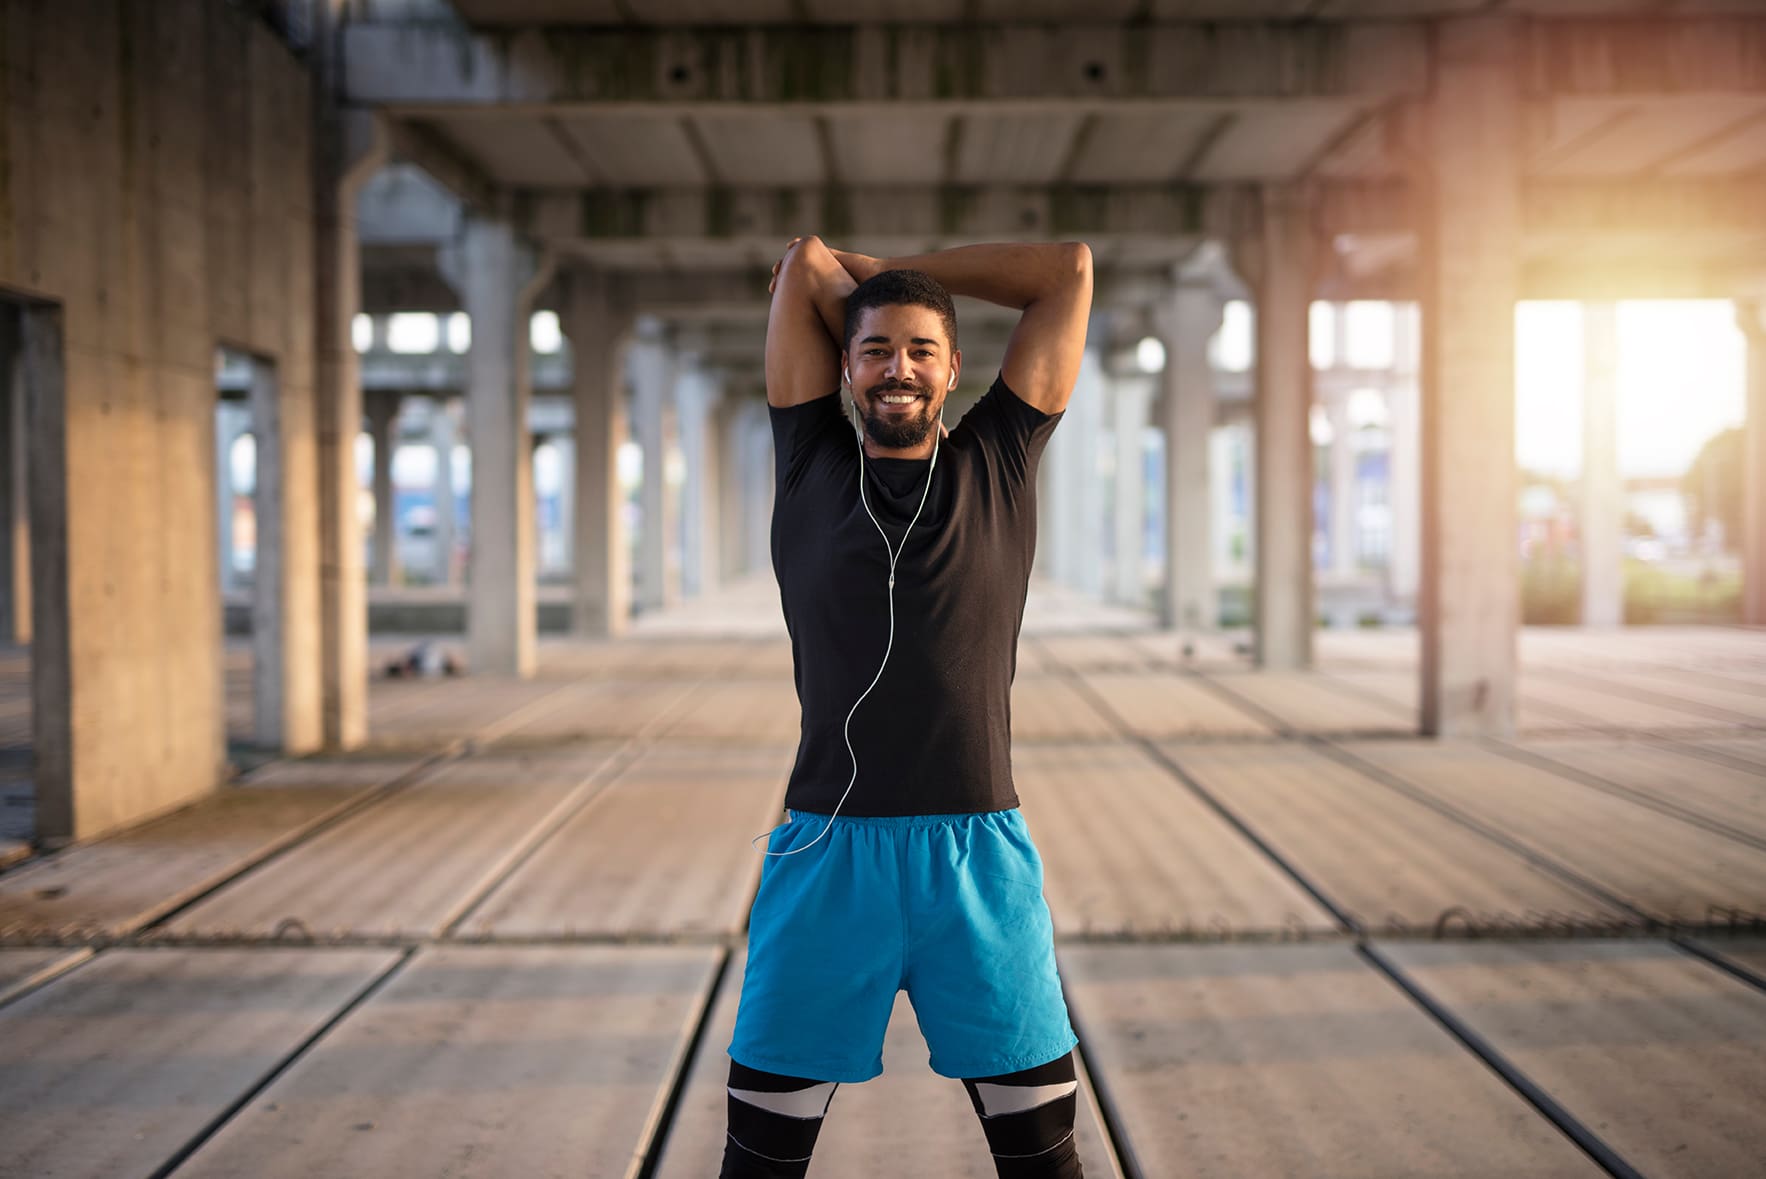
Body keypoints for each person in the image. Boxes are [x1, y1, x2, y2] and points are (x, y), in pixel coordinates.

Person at [720, 235, 1093, 1179]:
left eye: (922, 348)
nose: (899, 368)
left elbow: (1068, 272)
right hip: (824, 861)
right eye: (876, 347)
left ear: (954, 366)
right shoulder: (807, 462)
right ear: (844, 365)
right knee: (757, 1167)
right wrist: (871, 295)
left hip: (978, 867)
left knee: (1046, 1163)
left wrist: (892, 274)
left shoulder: (1000, 460)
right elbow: (804, 263)